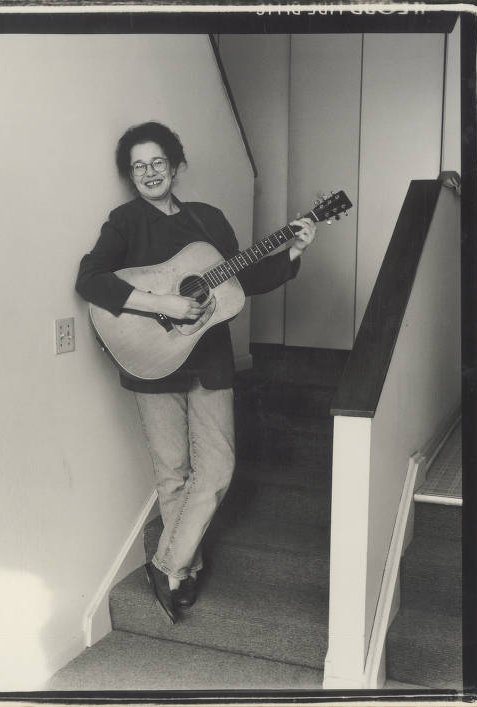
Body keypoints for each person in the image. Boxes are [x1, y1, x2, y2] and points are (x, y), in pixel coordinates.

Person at [75, 121, 317, 624]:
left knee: (218, 469)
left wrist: (293, 251)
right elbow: (91, 281)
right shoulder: (123, 222)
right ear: (130, 175)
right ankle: (184, 570)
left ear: (176, 165)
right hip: (154, 361)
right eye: (138, 166)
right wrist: (163, 301)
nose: (149, 172)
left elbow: (240, 276)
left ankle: (164, 564)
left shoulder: (207, 219)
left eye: (157, 162)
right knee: (173, 473)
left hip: (209, 361)